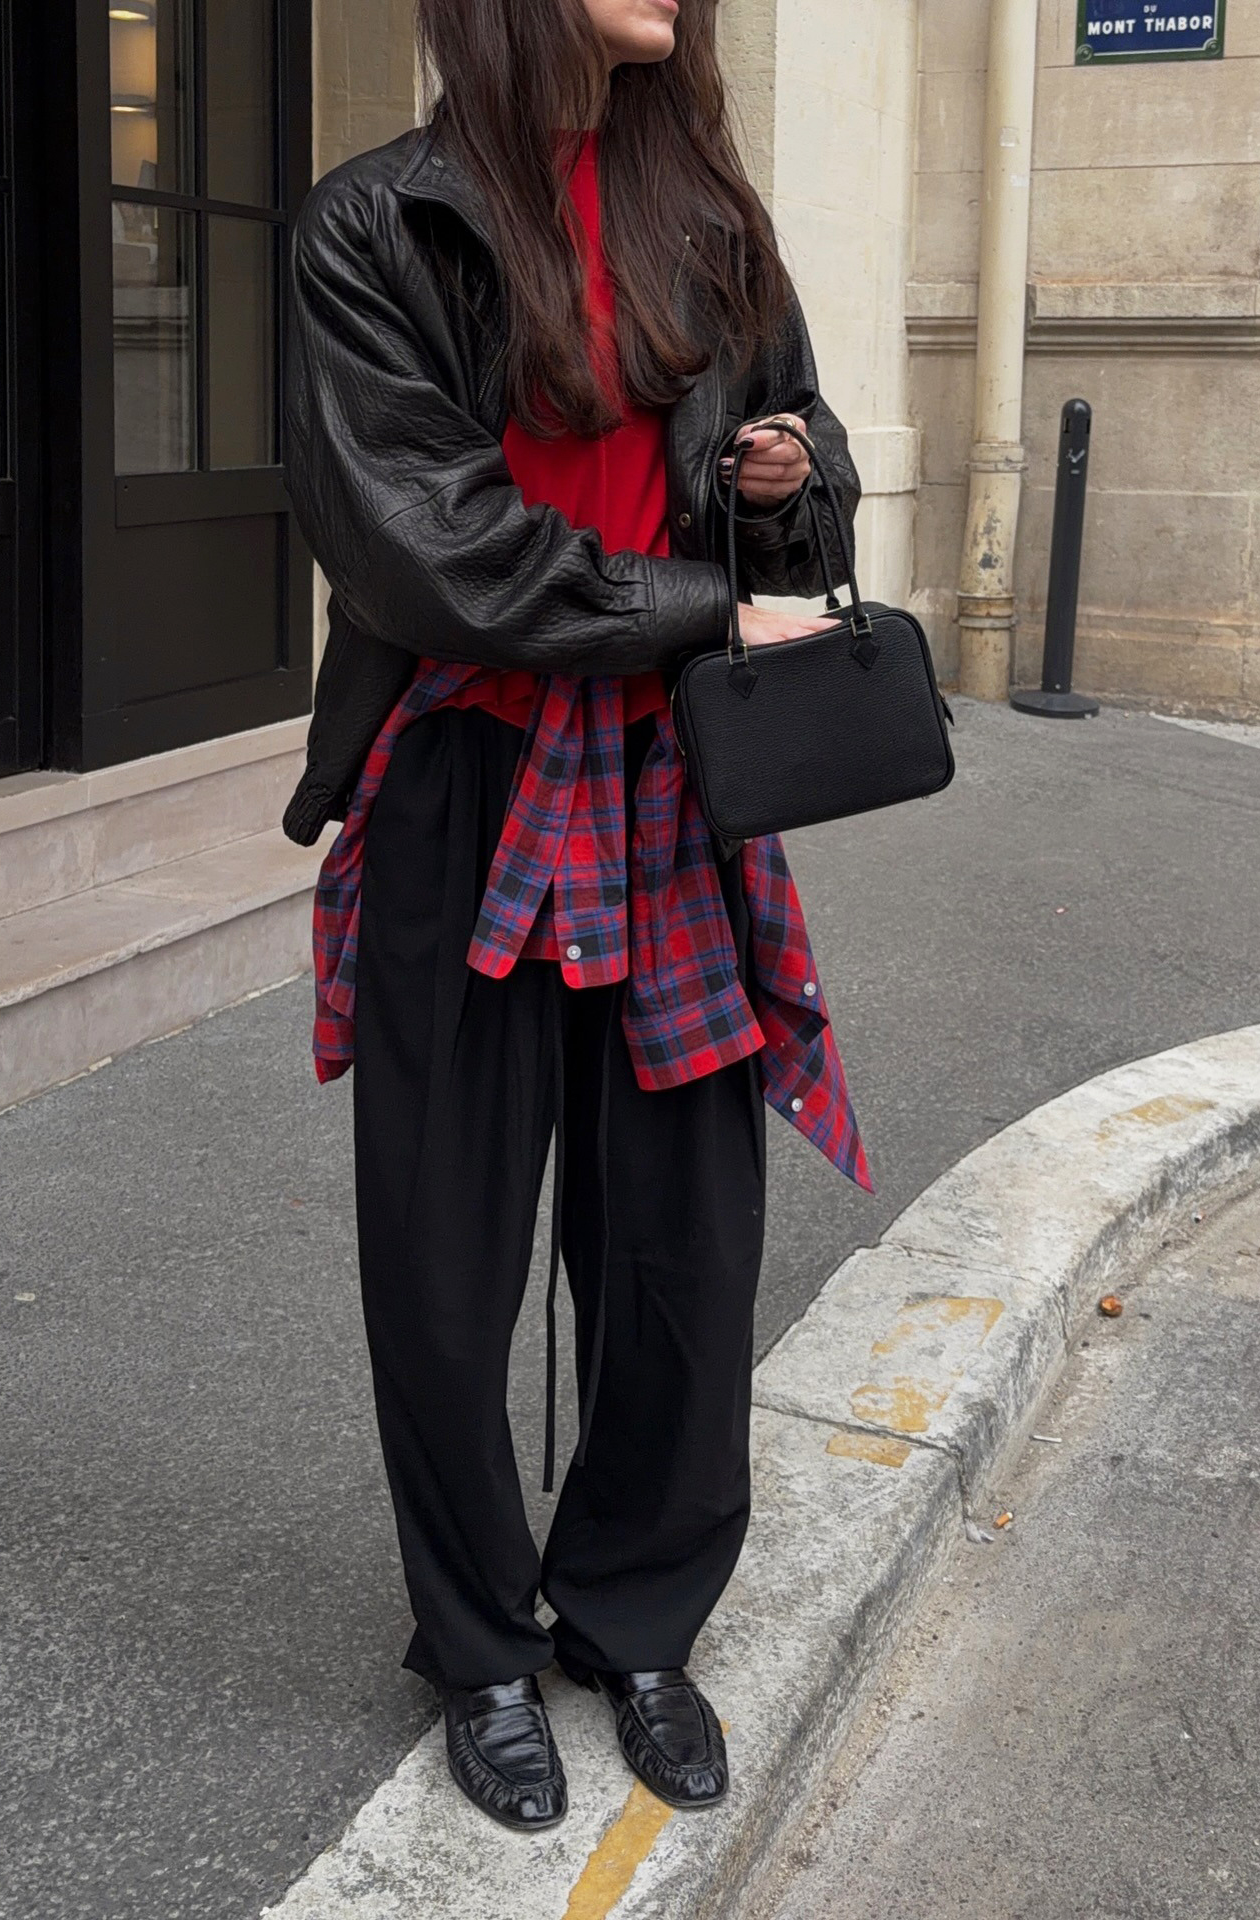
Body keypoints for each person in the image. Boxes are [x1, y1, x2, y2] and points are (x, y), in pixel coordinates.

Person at [282, 0, 871, 1834]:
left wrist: (788, 485)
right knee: (448, 1257)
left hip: (679, 782)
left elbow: (807, 485)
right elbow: (426, 547)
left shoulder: (708, 208)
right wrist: (706, 597)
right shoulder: (375, 226)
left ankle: (635, 1620)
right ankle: (474, 1643)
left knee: (684, 1244)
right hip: (473, 773)